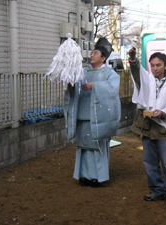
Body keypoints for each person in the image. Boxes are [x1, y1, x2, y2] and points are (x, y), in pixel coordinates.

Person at [128, 47, 166, 207]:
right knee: (149, 161)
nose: (155, 68)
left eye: (158, 65)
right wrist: (133, 60)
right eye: (152, 65)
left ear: (165, 66)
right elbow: (136, 72)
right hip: (147, 126)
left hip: (163, 129)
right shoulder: (147, 80)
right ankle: (156, 190)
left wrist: (163, 112)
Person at [64, 45, 121, 188]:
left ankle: (97, 177)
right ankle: (83, 175)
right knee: (83, 147)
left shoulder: (109, 73)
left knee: (97, 148)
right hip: (83, 116)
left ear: (103, 58)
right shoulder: (82, 72)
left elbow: (113, 89)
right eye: (91, 53)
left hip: (99, 118)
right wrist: (71, 84)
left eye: (95, 53)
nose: (92, 55)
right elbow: (75, 87)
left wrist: (95, 85)